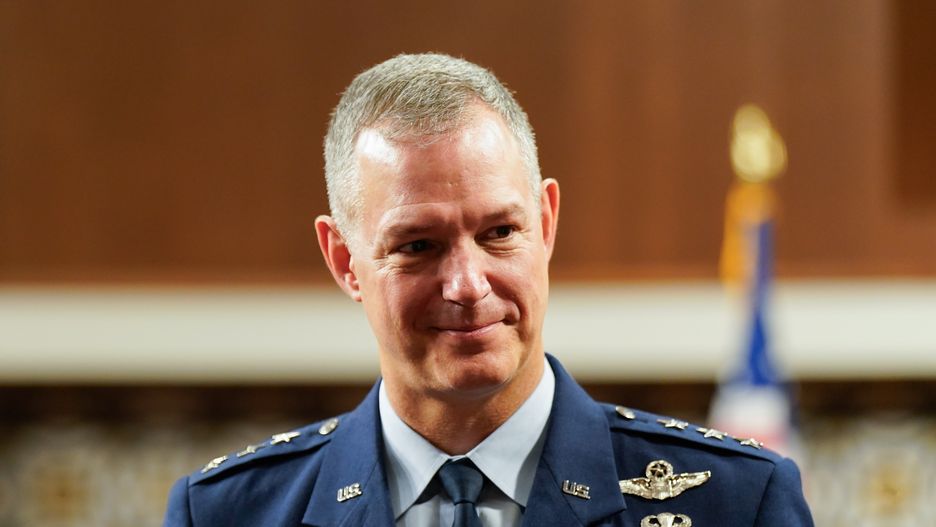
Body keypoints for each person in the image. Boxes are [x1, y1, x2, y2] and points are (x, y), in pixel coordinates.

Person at [163, 53, 813, 527]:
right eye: (418, 245)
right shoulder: (227, 513)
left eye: (500, 232)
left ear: (546, 223)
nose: (469, 285)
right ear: (344, 260)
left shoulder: (735, 502)